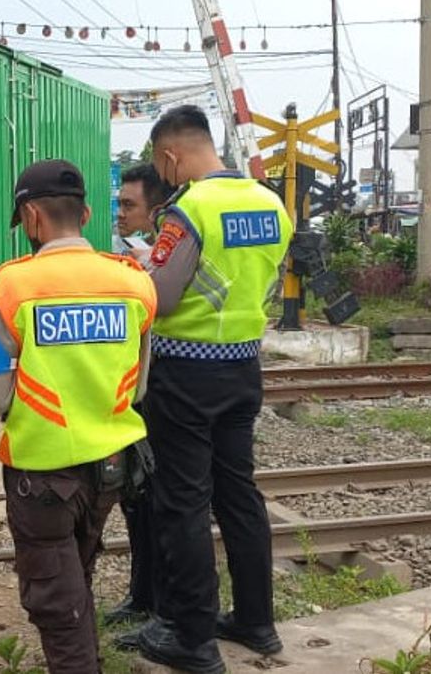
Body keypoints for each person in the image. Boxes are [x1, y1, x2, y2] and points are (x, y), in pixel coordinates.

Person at [0, 159, 157, 674]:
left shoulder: (13, 287)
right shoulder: (134, 283)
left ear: (32, 216)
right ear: (88, 212)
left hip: (43, 471)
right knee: (77, 573)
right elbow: (139, 383)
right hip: (110, 469)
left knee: (55, 599)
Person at [135, 105, 292, 674]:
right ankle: (256, 621)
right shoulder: (271, 203)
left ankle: (192, 638)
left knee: (183, 502)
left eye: (160, 162)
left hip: (185, 373)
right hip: (243, 365)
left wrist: (134, 278)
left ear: (172, 154)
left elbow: (164, 298)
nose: (163, 172)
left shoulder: (190, 208)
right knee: (238, 494)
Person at [103, 162, 176, 630]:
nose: (120, 214)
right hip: (134, 394)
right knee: (135, 496)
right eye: (118, 205)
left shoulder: (166, 256)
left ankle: (163, 605)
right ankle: (141, 594)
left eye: (128, 205)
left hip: (166, 389)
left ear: (154, 210)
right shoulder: (129, 256)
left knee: (162, 500)